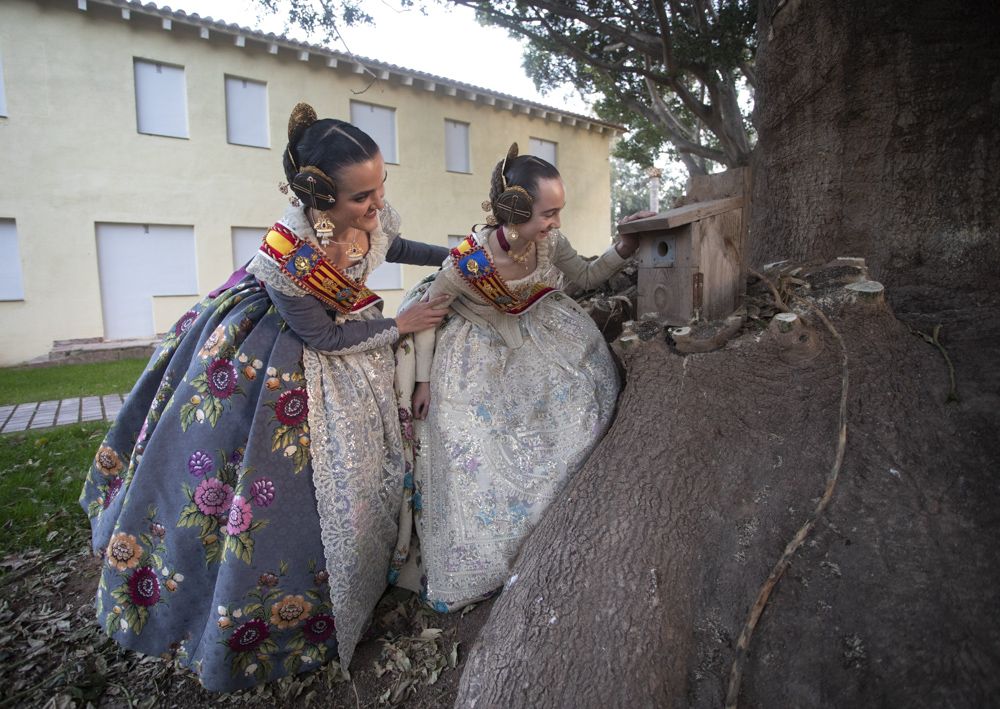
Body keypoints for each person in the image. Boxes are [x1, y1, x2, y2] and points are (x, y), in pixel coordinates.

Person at [78, 102, 450, 691]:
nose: (376, 206)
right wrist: (402, 325)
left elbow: (392, 244)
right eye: (362, 198)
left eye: (382, 188)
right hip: (272, 356)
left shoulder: (368, 211)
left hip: (332, 335)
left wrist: (448, 256)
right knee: (264, 479)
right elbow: (323, 336)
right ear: (318, 198)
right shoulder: (287, 255)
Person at [394, 143, 646, 611]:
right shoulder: (467, 262)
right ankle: (491, 556)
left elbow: (587, 276)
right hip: (476, 351)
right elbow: (432, 314)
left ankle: (567, 522)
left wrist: (623, 249)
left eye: (559, 211)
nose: (556, 223)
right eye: (548, 213)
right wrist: (425, 381)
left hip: (543, 335)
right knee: (468, 434)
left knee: (579, 401)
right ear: (513, 209)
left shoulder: (550, 243)